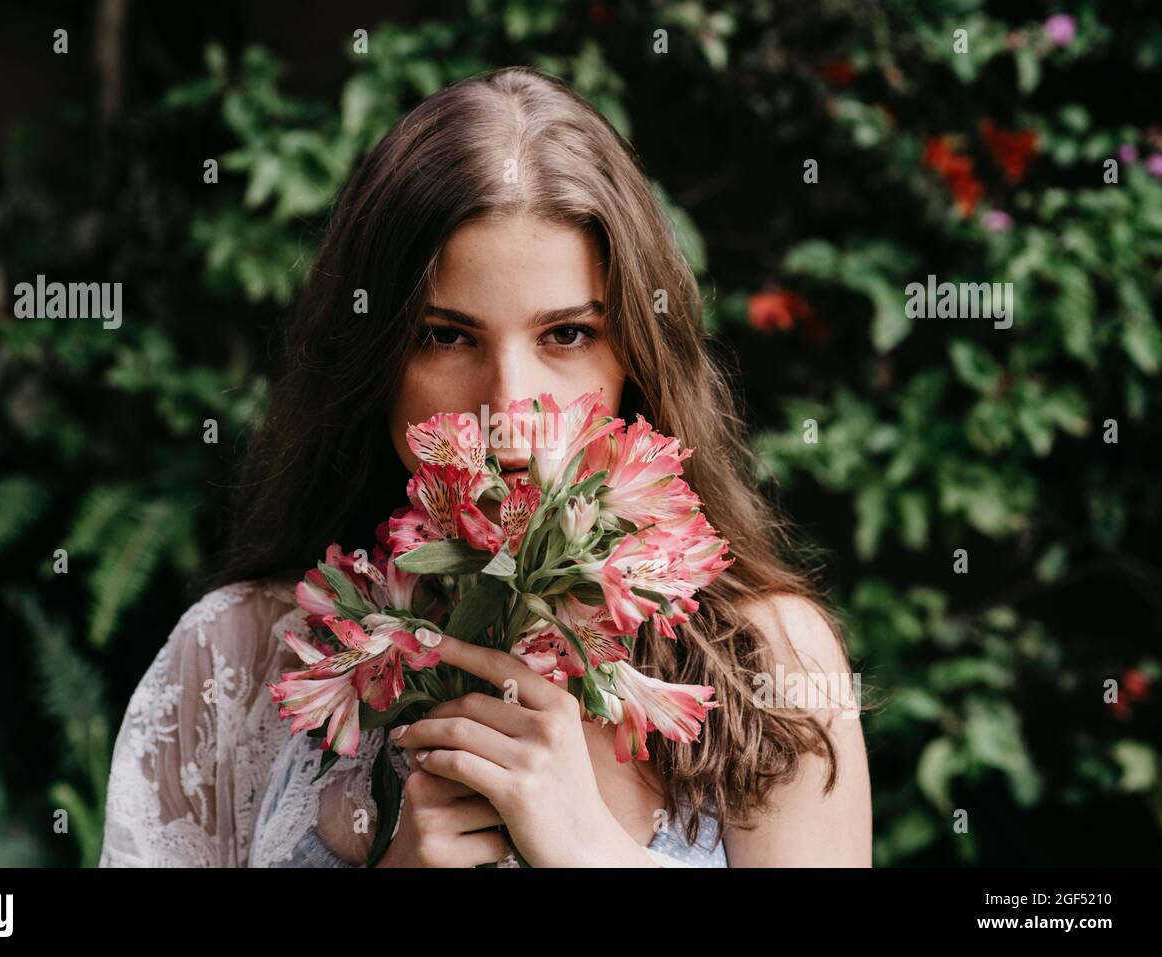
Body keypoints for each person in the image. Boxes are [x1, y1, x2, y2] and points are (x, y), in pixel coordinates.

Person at [98, 65, 871, 868]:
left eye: (566, 334)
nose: (506, 412)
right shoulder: (237, 660)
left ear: (636, 356)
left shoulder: (765, 665)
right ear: (376, 358)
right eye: (446, 335)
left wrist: (590, 852)